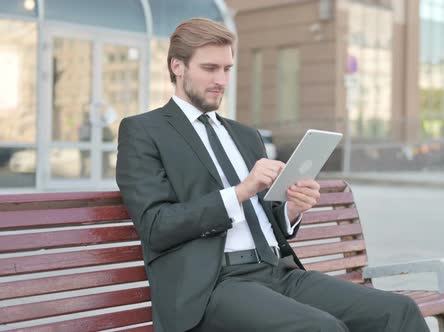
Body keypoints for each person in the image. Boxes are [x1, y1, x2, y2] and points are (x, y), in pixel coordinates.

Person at [116, 18, 428, 332]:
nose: (221, 80)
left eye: (227, 69)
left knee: (398, 311)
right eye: (210, 68)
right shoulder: (144, 130)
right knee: (321, 329)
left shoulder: (245, 136)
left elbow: (266, 218)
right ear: (177, 66)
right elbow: (155, 226)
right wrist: (240, 191)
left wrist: (292, 209)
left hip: (279, 272)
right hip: (213, 286)